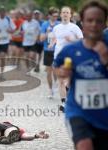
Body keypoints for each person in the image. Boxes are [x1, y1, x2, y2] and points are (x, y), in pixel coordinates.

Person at [53, 1, 108, 149]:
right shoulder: (70, 50)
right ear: (82, 23)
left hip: (104, 112)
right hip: (78, 110)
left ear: (104, 24)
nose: (94, 25)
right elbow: (57, 68)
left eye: (99, 21)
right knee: (84, 145)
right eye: (90, 20)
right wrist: (62, 72)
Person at [50, 6, 83, 112]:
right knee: (60, 81)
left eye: (67, 12)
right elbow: (55, 38)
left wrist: (72, 40)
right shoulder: (56, 27)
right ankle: (64, 103)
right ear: (60, 14)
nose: (65, 14)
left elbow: (82, 41)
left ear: (70, 15)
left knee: (68, 81)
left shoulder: (74, 27)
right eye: (63, 12)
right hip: (58, 57)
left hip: (70, 58)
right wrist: (51, 43)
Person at [0, 6, 16, 81]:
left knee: (3, 57)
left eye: (3, 12)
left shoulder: (8, 19)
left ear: (5, 12)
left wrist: (10, 31)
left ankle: (2, 74)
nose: (2, 13)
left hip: (5, 41)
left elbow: (14, 29)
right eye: (1, 12)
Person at [40, 7, 60, 99]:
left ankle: (57, 86)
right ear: (49, 15)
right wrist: (47, 33)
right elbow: (41, 39)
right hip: (47, 50)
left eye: (57, 16)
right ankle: (50, 90)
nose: (56, 17)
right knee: (49, 71)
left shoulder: (59, 24)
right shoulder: (45, 24)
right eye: (54, 16)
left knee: (56, 70)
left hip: (57, 50)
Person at [20, 10, 40, 74]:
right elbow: (21, 31)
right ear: (25, 16)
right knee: (26, 58)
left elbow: (39, 31)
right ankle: (28, 69)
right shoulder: (24, 23)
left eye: (29, 16)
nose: (28, 17)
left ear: (31, 16)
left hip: (33, 42)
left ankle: (34, 65)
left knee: (31, 56)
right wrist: (21, 33)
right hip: (25, 42)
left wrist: (37, 38)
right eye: (27, 16)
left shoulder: (36, 23)